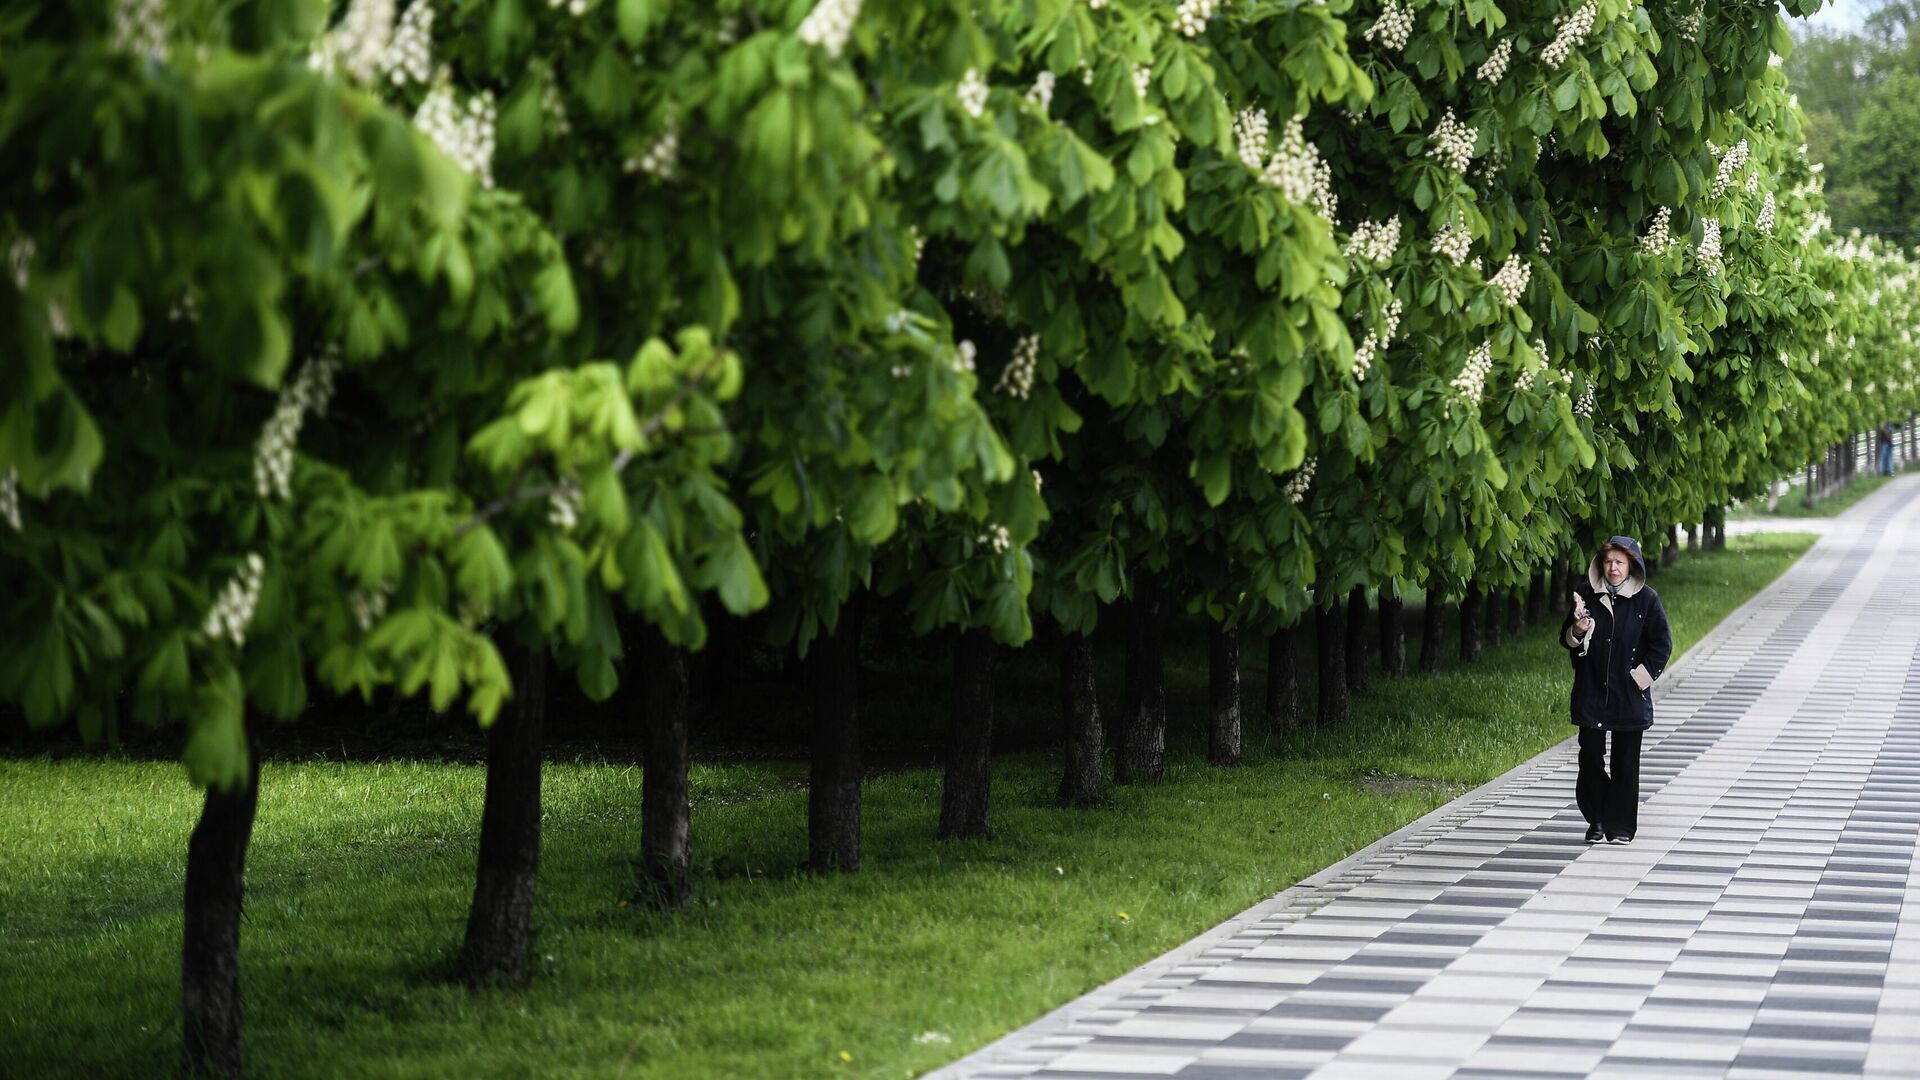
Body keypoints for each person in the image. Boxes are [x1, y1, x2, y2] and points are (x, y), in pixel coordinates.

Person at [1561, 536, 1672, 844]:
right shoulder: (1586, 594)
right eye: (1608, 561)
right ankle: (1597, 818)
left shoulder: (1647, 599)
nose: (1613, 568)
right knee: (1590, 758)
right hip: (1592, 690)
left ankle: (1620, 827)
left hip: (1629, 693)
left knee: (1625, 763)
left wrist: (1640, 679)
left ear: (1631, 566)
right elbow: (1567, 641)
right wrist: (1577, 630)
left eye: (1619, 562)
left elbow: (1662, 644)